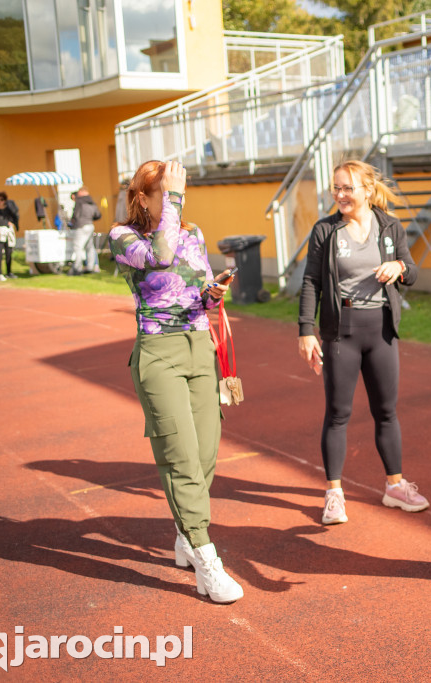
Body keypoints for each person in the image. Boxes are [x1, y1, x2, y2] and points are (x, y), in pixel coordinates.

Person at [109, 160, 243, 603]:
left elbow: (200, 285)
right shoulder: (123, 237)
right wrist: (175, 200)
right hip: (158, 355)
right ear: (143, 197)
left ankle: (186, 533)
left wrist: (214, 291)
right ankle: (207, 560)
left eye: (175, 193)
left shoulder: (194, 233)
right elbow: (161, 257)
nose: (173, 201)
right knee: (181, 457)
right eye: (163, 193)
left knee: (206, 454)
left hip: (199, 347)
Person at [297, 160, 429, 526]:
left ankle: (395, 486)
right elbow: (311, 282)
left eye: (347, 188)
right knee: (338, 413)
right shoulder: (325, 231)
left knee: (386, 411)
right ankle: (334, 494)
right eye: (335, 188)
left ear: (367, 190)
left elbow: (413, 271)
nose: (339, 195)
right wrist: (306, 330)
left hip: (382, 330)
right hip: (342, 330)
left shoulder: (389, 226)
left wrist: (399, 269)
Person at [68, 186, 102, 275]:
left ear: (81, 193)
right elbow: (98, 215)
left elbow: (75, 215)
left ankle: (77, 268)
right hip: (90, 225)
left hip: (81, 226)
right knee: (90, 247)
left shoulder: (79, 202)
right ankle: (90, 267)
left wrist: (72, 222)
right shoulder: (91, 202)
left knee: (78, 247)